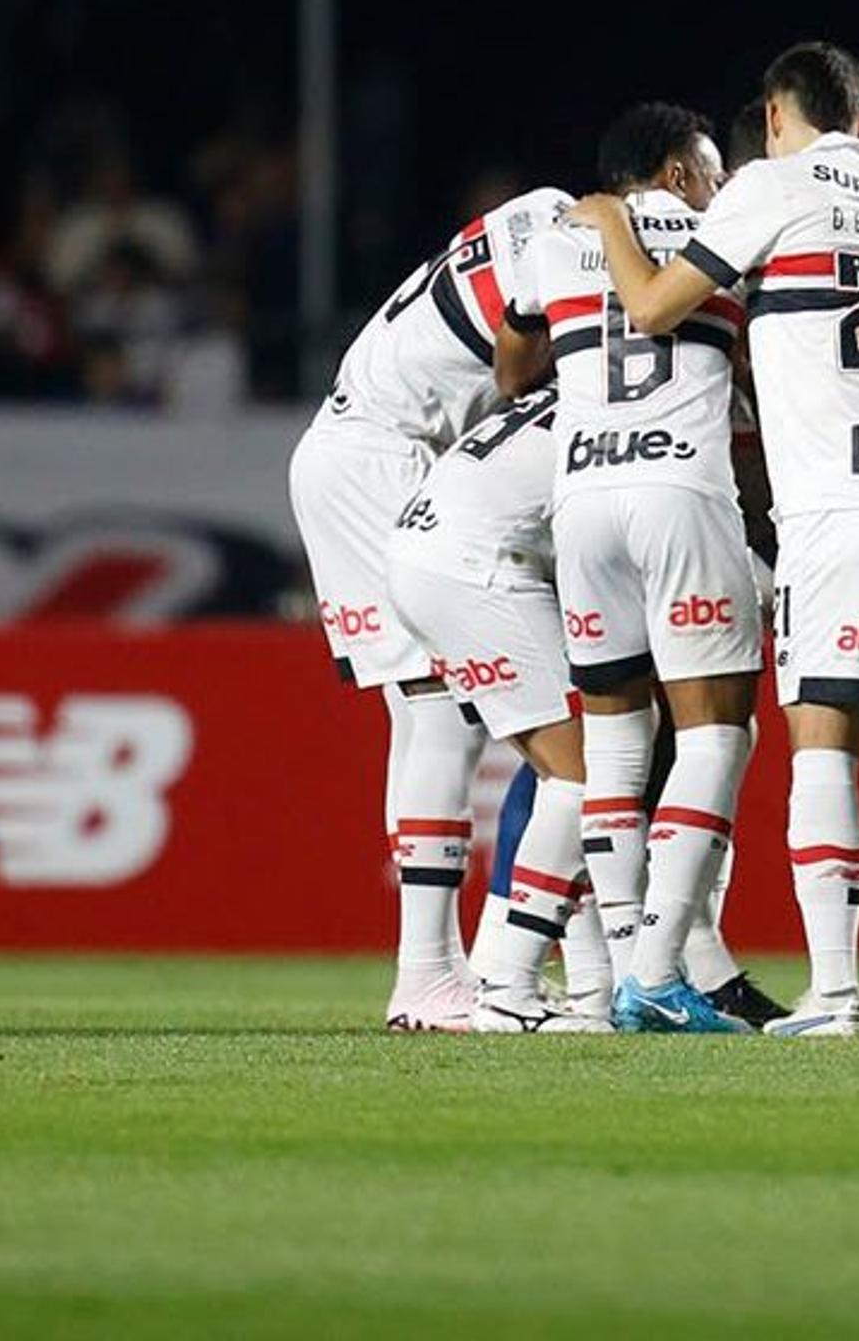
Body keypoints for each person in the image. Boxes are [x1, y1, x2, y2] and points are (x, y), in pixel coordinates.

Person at [573, 41, 859, 1039]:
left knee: (824, 737)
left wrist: (613, 221)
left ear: (777, 117)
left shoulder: (766, 185)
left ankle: (834, 994)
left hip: (839, 500)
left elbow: (654, 306)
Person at [284, 181, 568, 1031]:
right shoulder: (575, 246)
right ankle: (429, 979)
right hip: (385, 457)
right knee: (444, 718)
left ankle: (439, 972)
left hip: (353, 446)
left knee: (424, 720)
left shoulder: (538, 214)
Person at [510, 103, 764, 1036]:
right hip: (680, 488)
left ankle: (623, 969)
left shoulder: (557, 241)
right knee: (714, 736)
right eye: (707, 167)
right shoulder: (720, 232)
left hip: (583, 500)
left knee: (615, 744)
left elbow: (511, 362)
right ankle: (657, 972)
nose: (719, 181)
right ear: (675, 171)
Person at [375, 394, 610, 1033]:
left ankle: (586, 982)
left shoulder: (573, 387)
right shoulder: (639, 407)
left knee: (566, 772)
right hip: (477, 569)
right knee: (589, 776)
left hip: (424, 554)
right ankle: (510, 987)